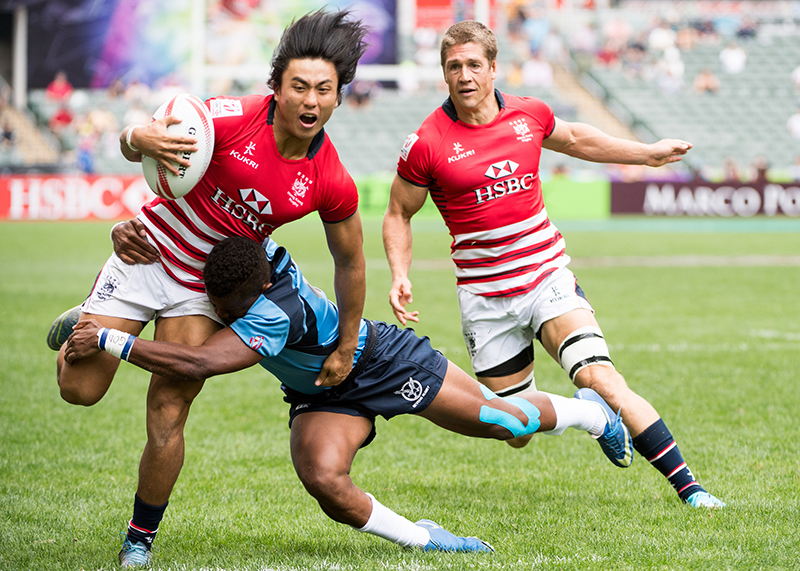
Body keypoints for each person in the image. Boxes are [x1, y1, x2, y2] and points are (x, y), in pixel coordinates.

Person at [64, 236, 633, 559]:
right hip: (322, 392)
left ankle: (591, 414)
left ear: (258, 291)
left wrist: (113, 338)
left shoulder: (275, 309)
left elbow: (202, 362)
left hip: (384, 362)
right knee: (324, 480)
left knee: (501, 421)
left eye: (231, 306)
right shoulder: (251, 262)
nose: (224, 314)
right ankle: (425, 539)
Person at [50, 9, 369, 567]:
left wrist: (345, 344)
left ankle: (139, 540)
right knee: (79, 390)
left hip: (203, 289)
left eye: (324, 89)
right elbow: (142, 147)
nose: (310, 101)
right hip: (145, 253)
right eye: (298, 86)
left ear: (341, 97)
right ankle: (90, 314)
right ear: (276, 88)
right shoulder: (227, 119)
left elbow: (351, 261)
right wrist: (134, 135)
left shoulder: (330, 178)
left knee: (169, 409)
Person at [382, 20, 725, 510]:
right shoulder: (426, 144)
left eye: (474, 64)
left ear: (494, 68)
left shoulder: (529, 115)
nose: (464, 75)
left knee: (602, 378)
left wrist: (645, 154)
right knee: (513, 429)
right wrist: (399, 272)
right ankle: (588, 414)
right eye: (453, 66)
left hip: (546, 277)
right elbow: (398, 213)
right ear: (443, 73)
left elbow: (578, 139)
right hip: (485, 298)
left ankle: (691, 489)